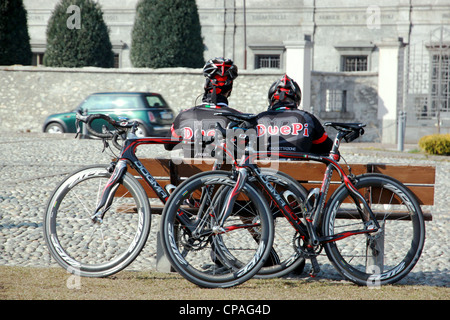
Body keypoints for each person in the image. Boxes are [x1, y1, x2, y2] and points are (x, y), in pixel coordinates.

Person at [165, 57, 240, 158]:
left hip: (189, 173)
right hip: (222, 172)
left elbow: (168, 145)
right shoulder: (240, 118)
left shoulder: (184, 116)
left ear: (206, 86)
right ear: (230, 89)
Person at [256, 74, 333, 156]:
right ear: (296, 99)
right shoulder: (308, 118)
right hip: (299, 167)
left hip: (265, 167)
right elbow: (328, 149)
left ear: (271, 99)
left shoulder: (258, 119)